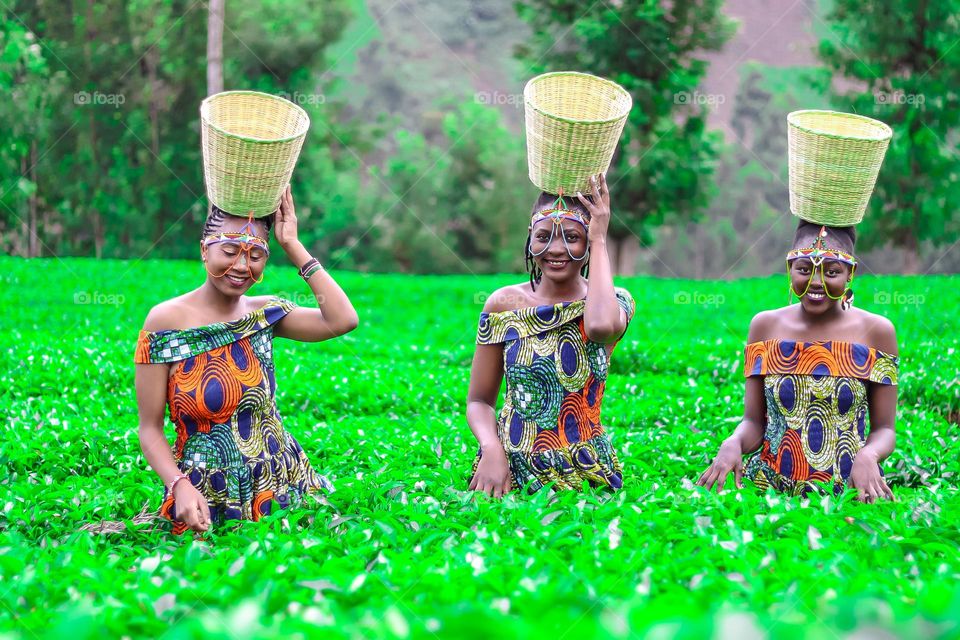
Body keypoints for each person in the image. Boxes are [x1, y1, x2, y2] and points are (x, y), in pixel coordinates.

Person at [135, 186, 358, 534]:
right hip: (205, 492)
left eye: (256, 255)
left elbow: (342, 320)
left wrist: (293, 246)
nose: (242, 265)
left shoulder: (265, 314)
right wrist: (178, 484)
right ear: (204, 252)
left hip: (282, 483)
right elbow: (149, 429)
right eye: (230, 251)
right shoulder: (165, 322)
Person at [697, 222, 899, 501]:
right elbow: (754, 422)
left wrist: (869, 453)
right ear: (789, 269)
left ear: (850, 273)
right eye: (804, 269)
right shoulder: (765, 325)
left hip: (851, 493)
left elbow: (885, 430)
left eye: (832, 272)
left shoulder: (878, 331)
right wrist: (733, 442)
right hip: (769, 495)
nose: (816, 282)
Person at [466, 174, 635, 496]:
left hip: (585, 466)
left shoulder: (614, 303)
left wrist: (600, 238)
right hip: (507, 466)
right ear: (530, 238)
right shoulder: (503, 304)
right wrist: (491, 450)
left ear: (587, 242)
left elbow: (600, 328)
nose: (555, 249)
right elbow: (478, 400)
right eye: (543, 236)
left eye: (572, 237)